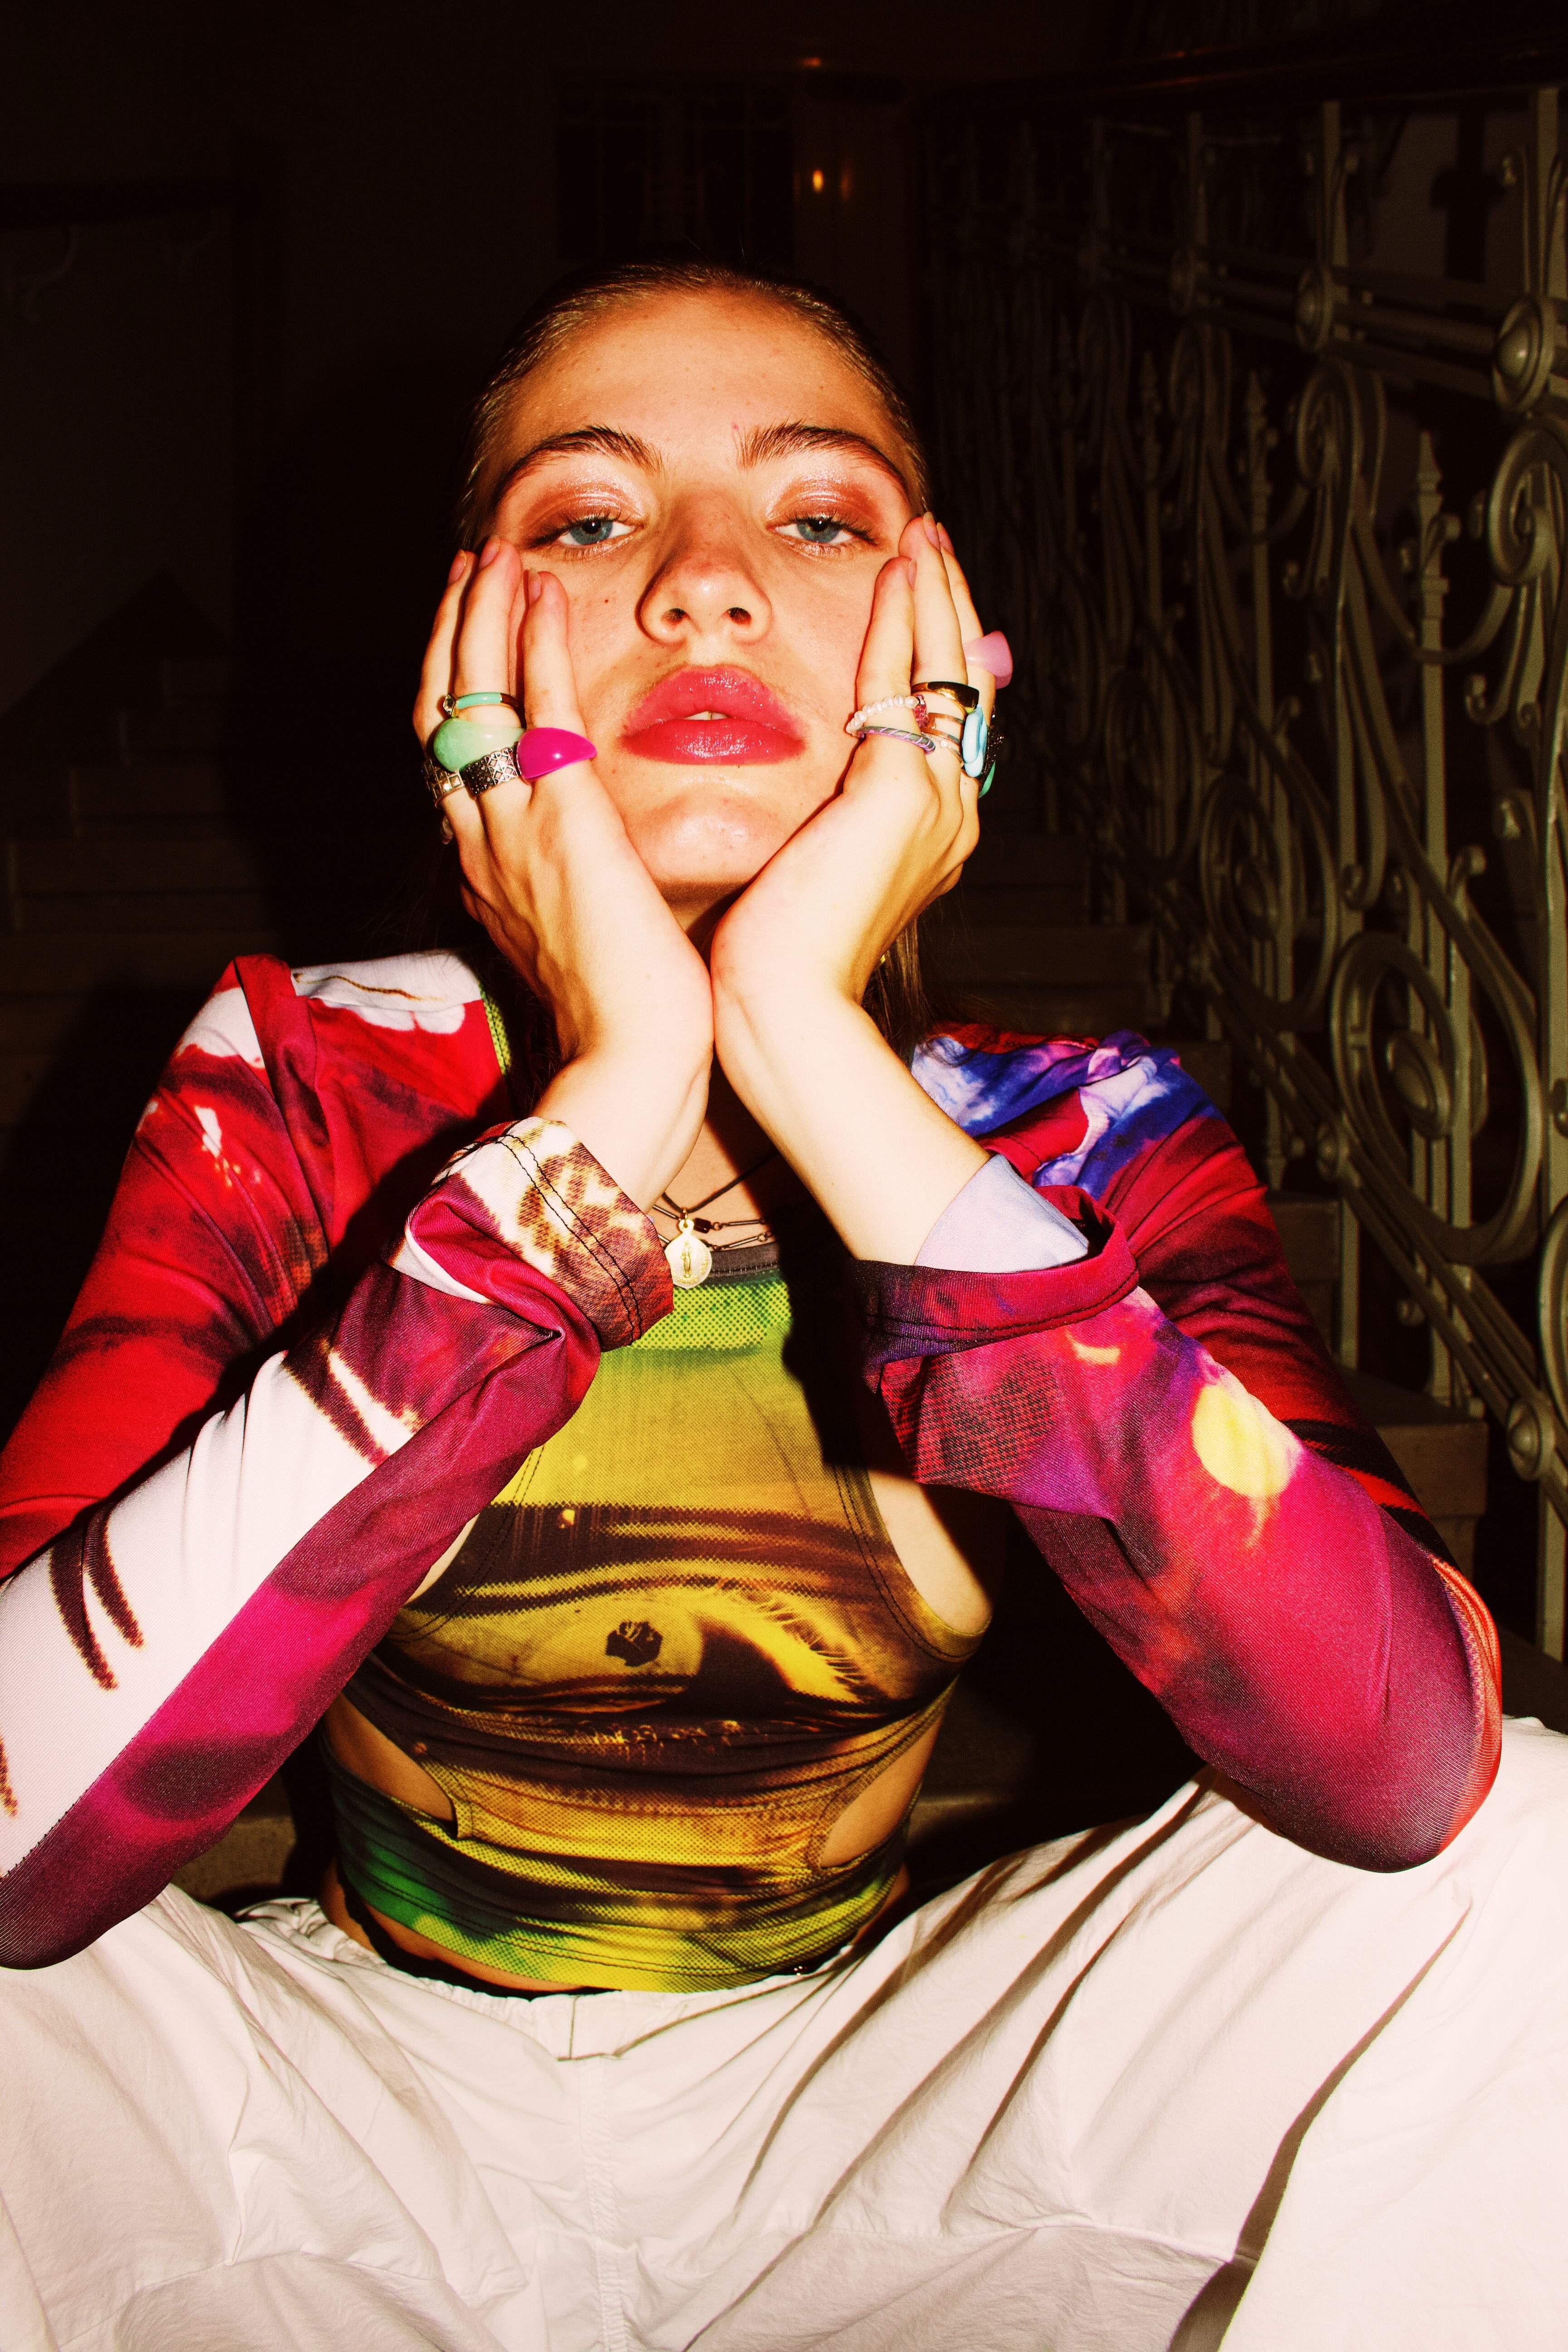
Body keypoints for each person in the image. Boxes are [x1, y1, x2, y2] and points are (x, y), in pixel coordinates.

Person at [0, 256, 1561, 2352]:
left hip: (874, 2122)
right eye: (589, 516)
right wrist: (612, 1098)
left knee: (1534, 1856)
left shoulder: (1083, 1138)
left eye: (817, 519)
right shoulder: (296, 1077)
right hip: (331, 2124)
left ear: (945, 648)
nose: (708, 587)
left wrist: (818, 1057)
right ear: (470, 642)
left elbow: (1405, 1772)